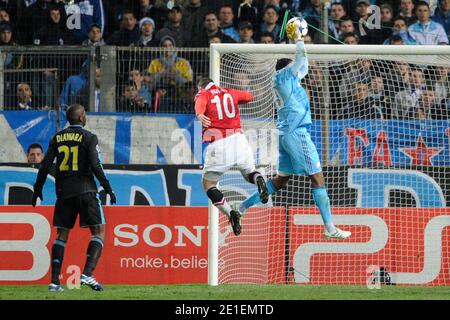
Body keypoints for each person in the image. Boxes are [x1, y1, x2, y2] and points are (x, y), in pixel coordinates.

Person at [238, 28, 351, 240]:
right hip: (296, 133)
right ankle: (330, 228)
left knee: (280, 181)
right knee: (317, 177)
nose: (300, 72)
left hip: (285, 133)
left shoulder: (286, 80)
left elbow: (303, 65)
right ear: (289, 67)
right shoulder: (283, 77)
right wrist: (298, 38)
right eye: (295, 68)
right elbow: (301, 58)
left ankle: (241, 207)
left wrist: (294, 45)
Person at [31, 104, 116, 292]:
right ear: (81, 118)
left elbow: (45, 165)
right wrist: (108, 187)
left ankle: (54, 282)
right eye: (84, 114)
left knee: (61, 235)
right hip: (86, 191)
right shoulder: (89, 137)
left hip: (64, 193)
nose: (85, 117)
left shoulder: (57, 137)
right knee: (99, 231)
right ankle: (87, 273)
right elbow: (95, 164)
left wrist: (37, 189)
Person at [194, 77, 268, 236]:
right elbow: (249, 97)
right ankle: (259, 181)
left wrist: (199, 114)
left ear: (200, 87)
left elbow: (200, 104)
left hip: (219, 144)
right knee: (250, 173)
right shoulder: (229, 92)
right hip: (239, 140)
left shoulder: (204, 93)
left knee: (208, 185)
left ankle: (231, 213)